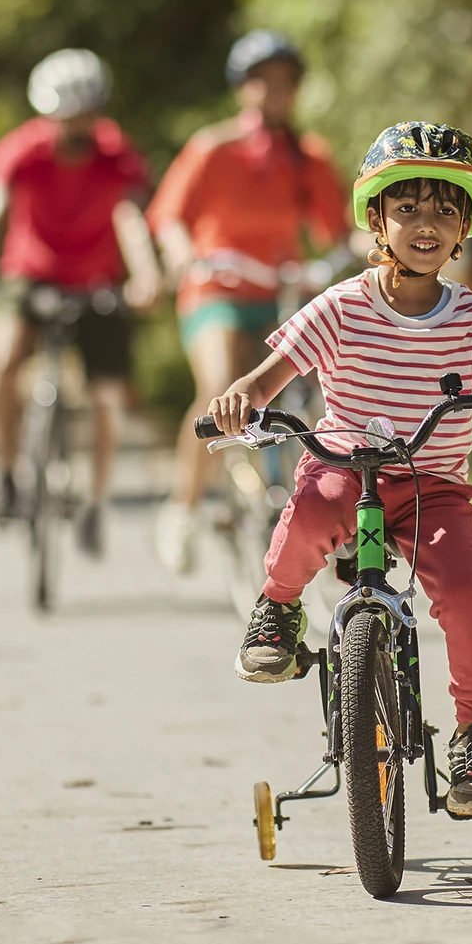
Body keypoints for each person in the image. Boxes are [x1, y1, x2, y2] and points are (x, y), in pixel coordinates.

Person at [205, 122, 472, 818]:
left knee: (469, 595)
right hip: (346, 468)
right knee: (310, 511)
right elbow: (275, 373)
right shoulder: (343, 305)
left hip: (432, 488)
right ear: (377, 220)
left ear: (464, 228)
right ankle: (277, 608)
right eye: (408, 207)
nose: (426, 224)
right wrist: (244, 397)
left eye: (445, 209)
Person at [145, 29, 353, 573]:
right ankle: (183, 510)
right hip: (216, 290)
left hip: (281, 291)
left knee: (315, 397)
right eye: (263, 81)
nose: (274, 93)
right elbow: (168, 216)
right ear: (242, 88)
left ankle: (316, 504)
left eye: (285, 83)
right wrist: (181, 253)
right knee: (218, 387)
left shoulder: (308, 157)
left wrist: (357, 252)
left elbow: (337, 232)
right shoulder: (213, 148)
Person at [0, 48, 162, 558]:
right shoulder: (19, 151)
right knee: (2, 363)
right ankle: (5, 474)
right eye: (63, 117)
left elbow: (130, 220)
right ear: (46, 113)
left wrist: (146, 275)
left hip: (96, 281)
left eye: (84, 115)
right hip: (29, 274)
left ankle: (95, 498)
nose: (74, 127)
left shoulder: (117, 155)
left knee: (108, 394)